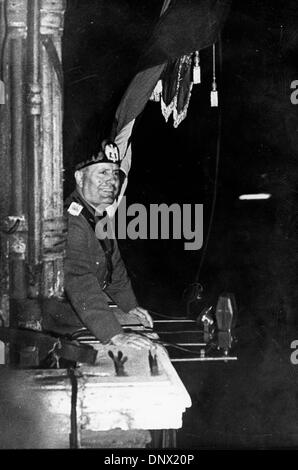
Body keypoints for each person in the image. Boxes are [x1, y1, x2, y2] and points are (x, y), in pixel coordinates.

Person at [43, 140, 153, 350]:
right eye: (102, 173)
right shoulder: (72, 220)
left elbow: (115, 268)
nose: (111, 181)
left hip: (80, 317)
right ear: (79, 177)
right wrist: (113, 334)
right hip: (59, 324)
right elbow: (78, 279)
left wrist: (130, 306)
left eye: (115, 174)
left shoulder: (97, 216)